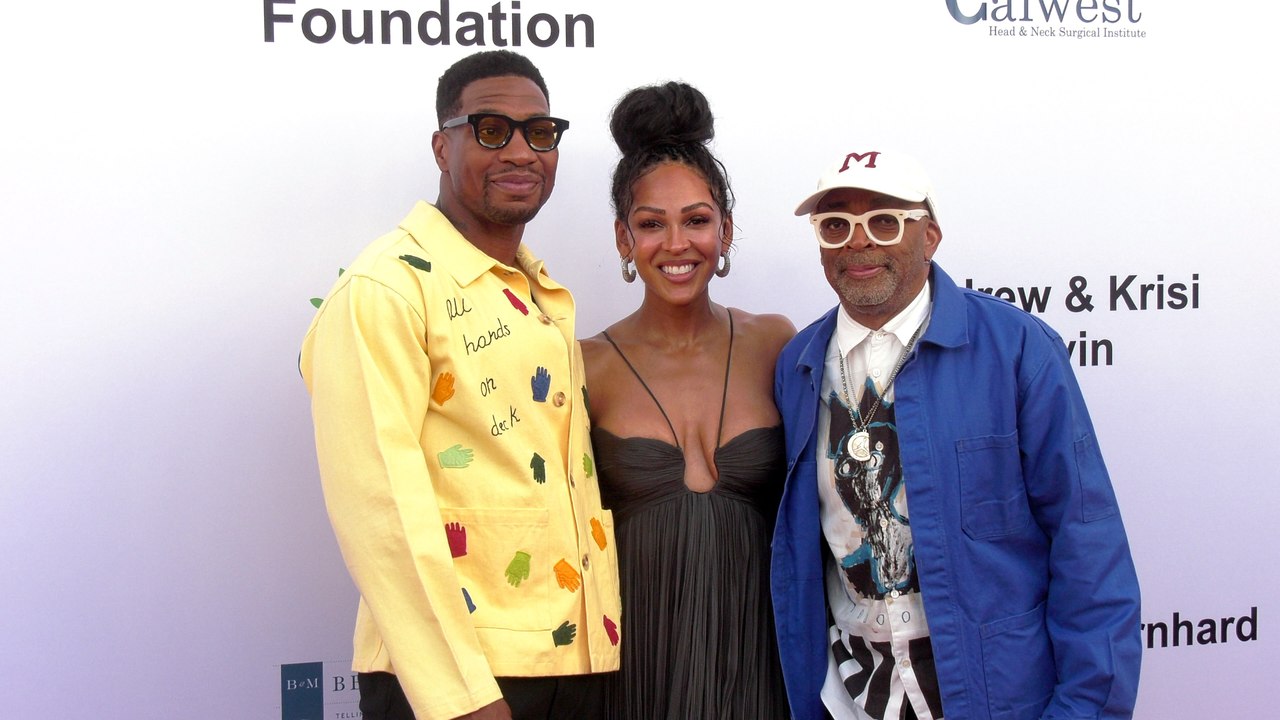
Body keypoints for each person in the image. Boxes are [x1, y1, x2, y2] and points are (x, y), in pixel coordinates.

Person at [299, 50, 621, 720]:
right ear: (442, 146)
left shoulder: (537, 291)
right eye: (491, 129)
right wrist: (460, 699)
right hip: (460, 684)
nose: (522, 151)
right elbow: (381, 513)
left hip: (570, 661)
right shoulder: (386, 288)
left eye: (540, 132)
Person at [770, 147, 1142, 720]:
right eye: (836, 225)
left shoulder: (1016, 349)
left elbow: (1086, 544)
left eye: (885, 221)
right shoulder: (797, 365)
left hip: (996, 698)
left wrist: (1085, 707)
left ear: (930, 237)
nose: (858, 242)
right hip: (849, 695)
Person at [580, 81, 795, 719]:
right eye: (651, 224)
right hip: (632, 678)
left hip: (764, 668)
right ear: (624, 239)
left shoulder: (776, 343)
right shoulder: (584, 366)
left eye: (697, 220)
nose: (677, 244)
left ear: (724, 230)